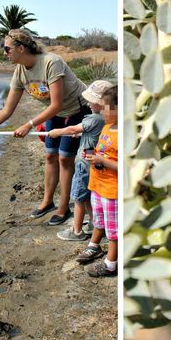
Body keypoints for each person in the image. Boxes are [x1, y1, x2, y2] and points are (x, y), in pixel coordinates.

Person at [0, 28, 89, 225]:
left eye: (7, 49)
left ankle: (63, 208)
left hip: (77, 110)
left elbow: (57, 103)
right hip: (55, 113)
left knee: (65, 158)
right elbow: (7, 110)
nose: (4, 53)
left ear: (21, 48)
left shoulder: (51, 62)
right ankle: (47, 202)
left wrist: (29, 125)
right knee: (50, 155)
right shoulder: (20, 72)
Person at [48, 80, 112, 241]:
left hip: (84, 166)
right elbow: (90, 133)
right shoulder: (106, 119)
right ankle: (94, 222)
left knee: (78, 198)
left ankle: (76, 231)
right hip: (95, 166)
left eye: (92, 101)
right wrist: (81, 134)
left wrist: (57, 132)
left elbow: (72, 129)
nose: (88, 103)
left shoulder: (94, 119)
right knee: (88, 197)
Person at [75, 86, 118, 277]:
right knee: (99, 221)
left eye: (106, 107)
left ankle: (111, 263)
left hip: (112, 190)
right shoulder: (107, 128)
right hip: (98, 185)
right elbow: (103, 151)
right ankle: (94, 246)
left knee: (114, 229)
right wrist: (93, 155)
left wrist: (102, 161)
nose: (102, 111)